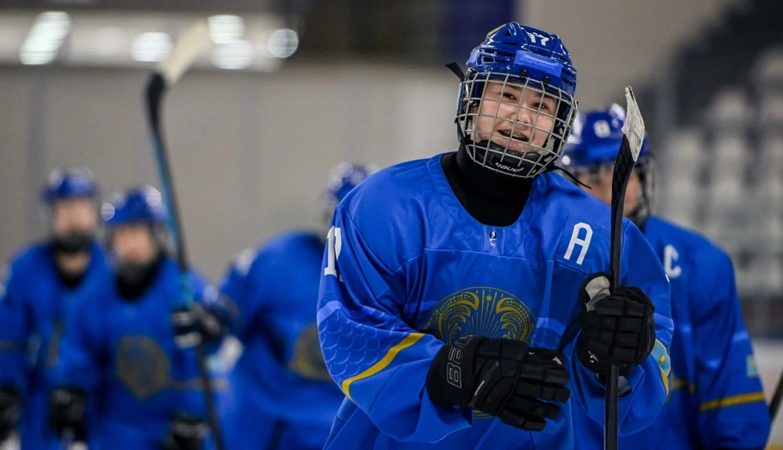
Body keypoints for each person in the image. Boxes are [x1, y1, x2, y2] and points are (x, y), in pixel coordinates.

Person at [315, 21, 673, 449]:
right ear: (472, 95)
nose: (522, 118)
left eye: (543, 106)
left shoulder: (598, 231)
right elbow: (349, 334)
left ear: (559, 125)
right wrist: (459, 368)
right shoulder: (382, 206)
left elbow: (640, 382)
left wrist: (612, 356)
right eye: (505, 95)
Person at [564, 105, 771, 449]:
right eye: (591, 175)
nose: (608, 188)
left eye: (621, 171)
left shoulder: (700, 263)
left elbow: (728, 388)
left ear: (642, 175)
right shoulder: (546, 260)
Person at [217, 162, 377, 450]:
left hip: (327, 413)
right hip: (257, 401)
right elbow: (230, 307)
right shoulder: (283, 258)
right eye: (342, 214)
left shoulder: (395, 281)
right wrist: (214, 317)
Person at [48, 185, 221, 450]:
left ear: (156, 235)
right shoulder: (98, 294)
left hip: (168, 430)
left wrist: (192, 415)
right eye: (122, 234)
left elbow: (203, 361)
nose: (130, 244)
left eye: (138, 232)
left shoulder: (184, 290)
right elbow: (79, 348)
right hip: (114, 429)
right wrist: (72, 391)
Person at [0, 167, 109, 449]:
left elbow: (125, 343)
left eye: (81, 208)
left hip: (101, 404)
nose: (74, 219)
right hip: (39, 401)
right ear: (50, 215)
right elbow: (7, 335)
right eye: (65, 209)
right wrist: (8, 389)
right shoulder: (25, 268)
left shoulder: (113, 273)